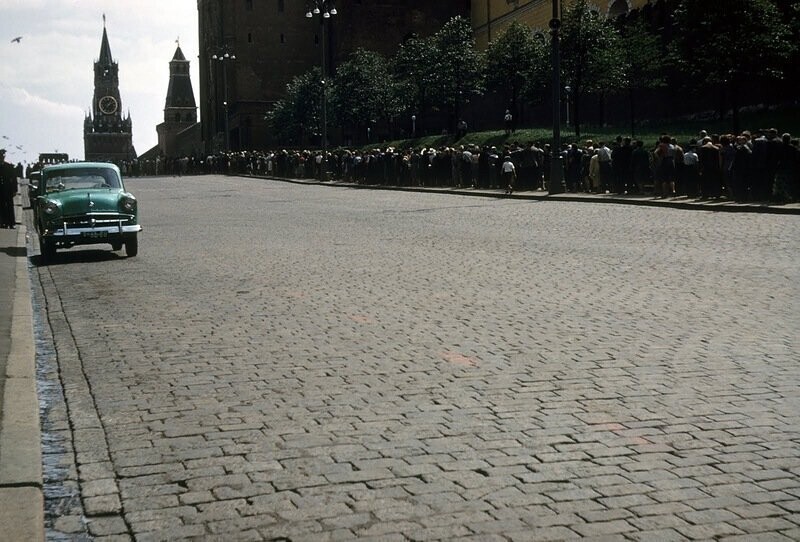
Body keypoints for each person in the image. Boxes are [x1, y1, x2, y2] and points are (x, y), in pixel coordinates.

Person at [0, 149, 18, 228]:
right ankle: (3, 222)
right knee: (1, 206)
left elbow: (14, 179)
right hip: (1, 189)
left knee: (10, 206)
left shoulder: (9, 167)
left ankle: (11, 223)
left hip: (8, 189)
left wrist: (14, 190)